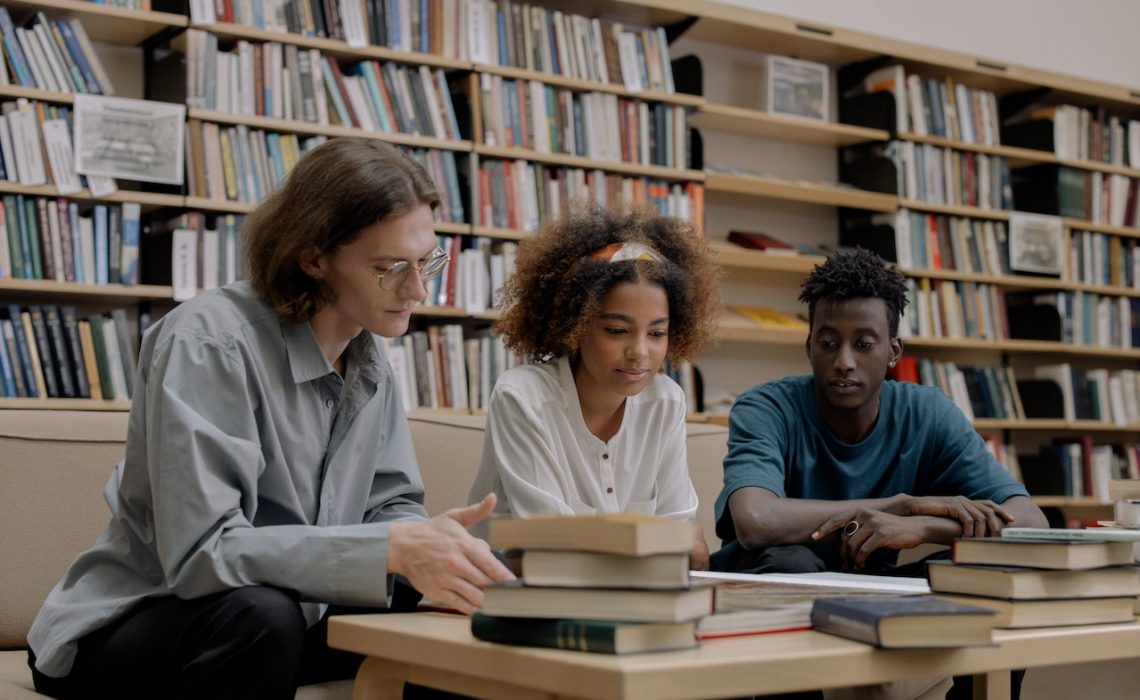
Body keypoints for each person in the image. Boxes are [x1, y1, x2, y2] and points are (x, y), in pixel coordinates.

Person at [26, 139, 514, 699]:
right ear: (313, 257)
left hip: (294, 608)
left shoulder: (368, 353)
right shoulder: (209, 343)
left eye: (427, 260)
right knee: (262, 616)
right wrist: (390, 550)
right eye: (389, 268)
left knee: (475, 596)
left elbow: (390, 503)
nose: (418, 289)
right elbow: (201, 555)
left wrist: (431, 548)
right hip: (144, 617)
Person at [713, 248, 1048, 576]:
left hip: (871, 589)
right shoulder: (766, 407)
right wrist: (901, 506)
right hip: (769, 583)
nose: (844, 362)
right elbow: (756, 521)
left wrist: (923, 527)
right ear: (809, 348)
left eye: (863, 344)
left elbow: (1030, 523)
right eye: (828, 343)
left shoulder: (928, 414)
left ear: (893, 351)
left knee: (970, 566)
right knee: (792, 561)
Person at [468, 205, 721, 569]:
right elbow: (547, 549)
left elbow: (686, 545)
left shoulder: (666, 401)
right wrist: (660, 544)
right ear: (577, 325)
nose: (639, 352)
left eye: (656, 333)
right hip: (511, 598)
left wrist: (673, 543)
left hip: (631, 597)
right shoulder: (522, 398)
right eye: (617, 331)